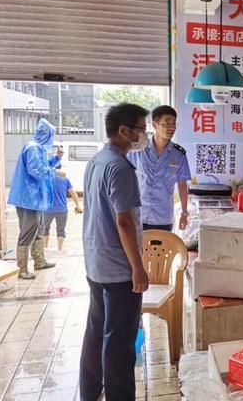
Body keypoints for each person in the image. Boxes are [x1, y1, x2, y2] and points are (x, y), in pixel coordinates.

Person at [79, 103, 150, 401]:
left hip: (96, 263)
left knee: (96, 333)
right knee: (120, 341)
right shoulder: (121, 168)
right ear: (124, 131)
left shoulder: (98, 160)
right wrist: (138, 267)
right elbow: (123, 221)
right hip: (118, 268)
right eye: (141, 129)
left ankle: (90, 392)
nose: (143, 135)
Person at [7, 118, 61, 279]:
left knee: (38, 229)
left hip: (36, 197)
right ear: (46, 134)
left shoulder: (39, 149)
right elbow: (36, 170)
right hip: (28, 198)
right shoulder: (33, 148)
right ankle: (22, 269)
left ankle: (39, 261)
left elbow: (43, 165)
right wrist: (55, 172)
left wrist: (56, 159)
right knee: (28, 231)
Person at [127, 105, 191, 232]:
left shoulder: (178, 154)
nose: (171, 128)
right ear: (155, 125)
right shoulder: (139, 149)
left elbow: (182, 184)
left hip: (163, 217)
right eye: (167, 123)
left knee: (161, 251)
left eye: (174, 124)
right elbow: (126, 178)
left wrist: (184, 213)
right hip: (139, 214)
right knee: (137, 251)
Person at [40, 167, 82, 251]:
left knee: (45, 229)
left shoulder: (44, 179)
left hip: (47, 210)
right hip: (62, 210)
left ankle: (45, 249)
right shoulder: (65, 180)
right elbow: (73, 193)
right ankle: (60, 250)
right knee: (61, 230)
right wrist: (78, 205)